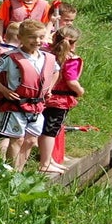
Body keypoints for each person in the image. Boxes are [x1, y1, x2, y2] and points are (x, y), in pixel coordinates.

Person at [0, 19, 57, 170]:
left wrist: (49, 88)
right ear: (20, 38)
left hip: (37, 106)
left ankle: (19, 170)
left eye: (41, 37)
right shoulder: (10, 57)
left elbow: (55, 71)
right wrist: (4, 90)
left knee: (31, 141)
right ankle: (11, 173)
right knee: (17, 139)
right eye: (32, 37)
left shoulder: (47, 57)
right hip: (16, 105)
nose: (37, 41)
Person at [38, 26, 84, 174]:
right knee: (50, 131)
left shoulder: (45, 52)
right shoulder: (71, 60)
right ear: (73, 44)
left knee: (42, 128)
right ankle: (45, 163)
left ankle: (48, 159)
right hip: (59, 101)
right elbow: (71, 81)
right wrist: (80, 90)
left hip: (43, 97)